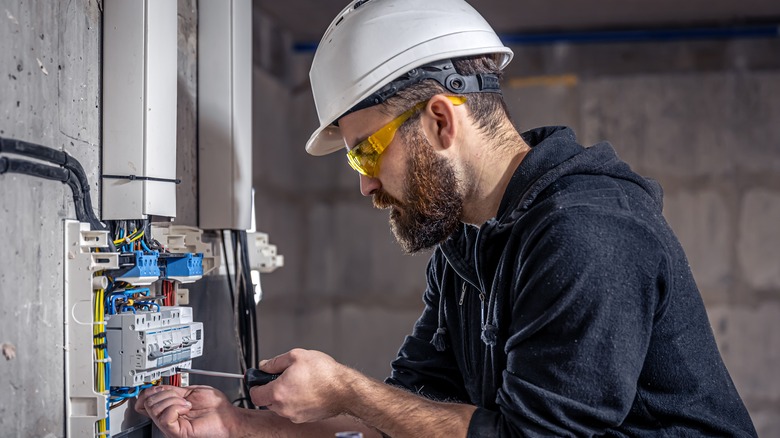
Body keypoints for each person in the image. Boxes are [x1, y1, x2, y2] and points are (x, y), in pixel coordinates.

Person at [136, 0, 758, 436]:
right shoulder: (467, 247)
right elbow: (407, 419)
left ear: (440, 119)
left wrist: (348, 389)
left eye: (367, 150)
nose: (365, 183)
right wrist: (238, 426)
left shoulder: (587, 232)